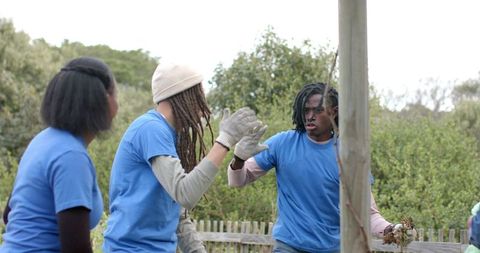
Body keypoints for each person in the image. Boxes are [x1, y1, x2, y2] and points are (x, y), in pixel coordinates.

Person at [228, 82, 413, 252]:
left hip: (333, 248)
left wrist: (393, 230)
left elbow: (368, 213)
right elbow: (237, 181)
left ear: (334, 112)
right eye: (306, 110)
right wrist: (238, 159)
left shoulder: (350, 156)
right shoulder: (282, 144)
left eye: (317, 111)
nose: (310, 116)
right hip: (289, 246)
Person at [102, 63, 263, 252]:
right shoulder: (151, 129)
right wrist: (224, 141)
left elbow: (177, 214)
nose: (205, 108)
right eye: (198, 97)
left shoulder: (169, 136)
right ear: (182, 97)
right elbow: (185, 193)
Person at [0, 56, 118, 252]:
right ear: (104, 100)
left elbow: (9, 215)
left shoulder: (43, 140)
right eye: (116, 94)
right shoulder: (71, 157)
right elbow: (76, 247)